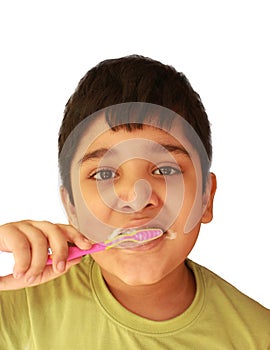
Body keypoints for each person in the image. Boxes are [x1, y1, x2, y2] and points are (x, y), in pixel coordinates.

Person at [0, 55, 269, 349]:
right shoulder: (16, 303)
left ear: (206, 198)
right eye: (104, 173)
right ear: (72, 209)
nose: (135, 198)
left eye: (165, 170)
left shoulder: (258, 336)